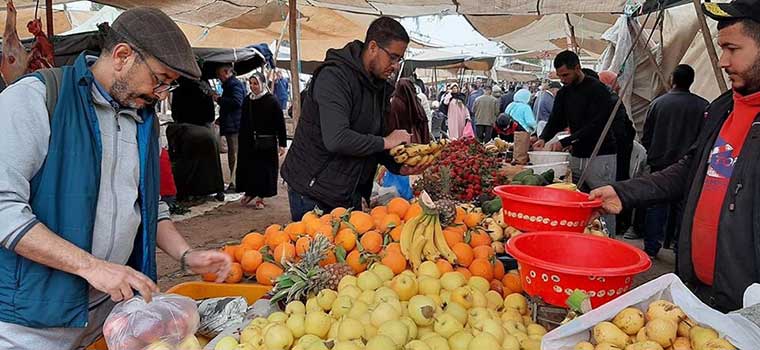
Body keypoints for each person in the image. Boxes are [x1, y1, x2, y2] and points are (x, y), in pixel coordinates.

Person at [0, 8, 232, 348]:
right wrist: (91, 266)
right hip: (31, 325)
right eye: (159, 79)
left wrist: (185, 255)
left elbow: (147, 203)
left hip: (107, 319)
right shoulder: (34, 99)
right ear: (122, 55)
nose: (162, 93)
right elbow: (4, 209)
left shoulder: (142, 119)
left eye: (169, 85)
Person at [590, 0, 760, 312]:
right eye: (721, 49)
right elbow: (689, 170)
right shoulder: (723, 108)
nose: (722, 61)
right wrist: (624, 193)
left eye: (732, 49)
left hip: (748, 305)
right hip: (696, 289)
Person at [281, 17, 419, 221]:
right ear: (373, 47)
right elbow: (336, 138)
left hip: (347, 191)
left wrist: (397, 165)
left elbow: (373, 137)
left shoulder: (378, 86)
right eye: (393, 57)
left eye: (399, 60)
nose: (396, 66)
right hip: (312, 191)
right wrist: (387, 141)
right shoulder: (334, 77)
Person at [534, 50, 617, 234]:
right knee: (578, 202)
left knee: (604, 204)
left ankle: (608, 241)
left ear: (577, 68)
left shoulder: (598, 90)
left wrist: (566, 141)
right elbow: (557, 119)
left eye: (566, 75)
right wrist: (543, 137)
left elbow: (596, 125)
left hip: (601, 154)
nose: (563, 79)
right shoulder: (564, 93)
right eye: (560, 76)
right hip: (577, 154)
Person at [631, 65, 709, 256]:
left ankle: (651, 246)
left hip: (660, 162)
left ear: (672, 78)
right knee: (684, 207)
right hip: (688, 165)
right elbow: (706, 137)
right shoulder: (703, 106)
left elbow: (646, 135)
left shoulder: (658, 103)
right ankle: (678, 245)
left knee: (657, 204)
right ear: (691, 81)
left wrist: (653, 153)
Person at [167, 77, 226, 201]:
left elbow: (176, 112)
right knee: (209, 162)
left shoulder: (180, 86)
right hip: (201, 129)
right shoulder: (203, 86)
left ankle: (185, 192)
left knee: (185, 162)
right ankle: (216, 189)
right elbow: (209, 113)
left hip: (187, 129)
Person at [236, 73, 287, 209]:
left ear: (262, 83)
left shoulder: (272, 101)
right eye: (251, 83)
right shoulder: (248, 100)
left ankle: (261, 197)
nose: (253, 86)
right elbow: (243, 121)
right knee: (251, 168)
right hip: (249, 141)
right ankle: (251, 192)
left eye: (256, 83)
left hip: (266, 142)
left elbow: (280, 123)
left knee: (265, 170)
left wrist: (282, 143)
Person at [597, 70, 637, 236]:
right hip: (618, 149)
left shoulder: (608, 100)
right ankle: (619, 225)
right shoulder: (611, 99)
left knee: (616, 187)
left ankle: (617, 227)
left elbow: (621, 130)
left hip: (615, 151)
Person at [213, 64, 246, 192]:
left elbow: (237, 102)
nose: (219, 78)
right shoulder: (231, 85)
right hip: (232, 124)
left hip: (235, 126)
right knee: (233, 154)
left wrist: (219, 99)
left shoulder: (234, 85)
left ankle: (236, 182)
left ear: (227, 72)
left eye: (220, 74)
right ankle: (235, 181)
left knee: (235, 155)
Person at [388, 78, 431, 144]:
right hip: (417, 137)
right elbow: (423, 121)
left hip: (401, 139)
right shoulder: (416, 101)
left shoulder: (395, 102)